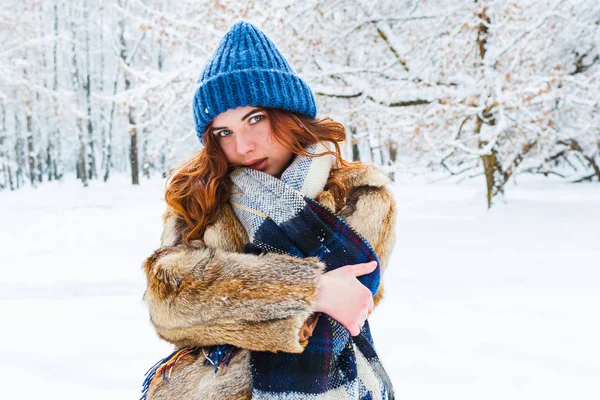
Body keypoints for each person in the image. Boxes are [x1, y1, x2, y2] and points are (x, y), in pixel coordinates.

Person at [141, 21, 397, 400]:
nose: (242, 147)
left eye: (255, 119)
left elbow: (350, 301)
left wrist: (230, 299)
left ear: (288, 114)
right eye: (223, 132)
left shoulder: (357, 194)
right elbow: (170, 302)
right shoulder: (201, 198)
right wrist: (308, 288)